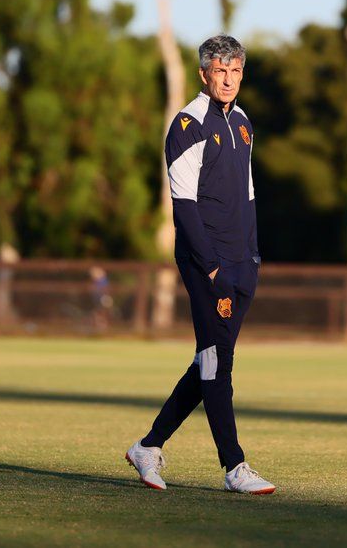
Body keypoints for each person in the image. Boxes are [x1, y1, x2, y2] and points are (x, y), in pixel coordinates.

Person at [125, 35, 274, 495]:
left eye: (235, 71)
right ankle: (235, 466)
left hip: (241, 262)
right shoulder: (187, 125)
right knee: (217, 364)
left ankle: (147, 447)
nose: (227, 79)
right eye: (219, 71)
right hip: (204, 263)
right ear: (203, 74)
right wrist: (211, 268)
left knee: (210, 361)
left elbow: (248, 196)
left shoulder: (244, 122)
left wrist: (251, 257)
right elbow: (183, 205)